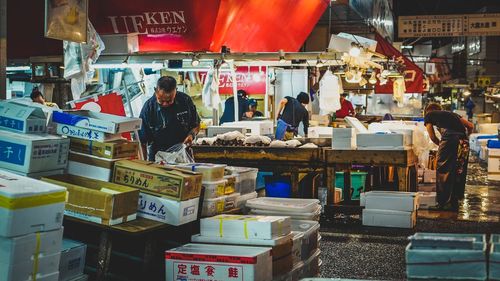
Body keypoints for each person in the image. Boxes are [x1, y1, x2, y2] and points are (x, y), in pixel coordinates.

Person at [424, 103, 473, 211]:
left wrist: (441, 144)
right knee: (457, 171)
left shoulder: (429, 115)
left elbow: (432, 136)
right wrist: (464, 138)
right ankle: (454, 203)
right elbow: (470, 126)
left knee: (443, 170)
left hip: (449, 140)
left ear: (428, 111)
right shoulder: (453, 114)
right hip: (463, 142)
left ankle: (442, 203)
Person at [139, 76, 200, 161]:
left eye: (169, 101)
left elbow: (196, 125)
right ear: (156, 91)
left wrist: (191, 135)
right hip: (158, 157)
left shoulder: (185, 101)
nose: (165, 104)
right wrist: (143, 165)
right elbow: (142, 141)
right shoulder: (148, 108)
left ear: (175, 91)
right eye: (161, 100)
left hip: (182, 154)